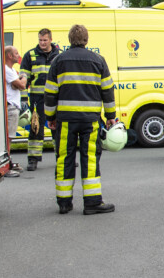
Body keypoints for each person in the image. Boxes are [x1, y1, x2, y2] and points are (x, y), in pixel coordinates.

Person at [43, 24, 116, 215]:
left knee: (64, 159)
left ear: (69, 39)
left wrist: (50, 116)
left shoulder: (58, 60)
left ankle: (64, 203)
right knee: (90, 158)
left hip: (65, 120)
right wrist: (111, 117)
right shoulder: (98, 60)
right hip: (90, 120)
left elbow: (50, 92)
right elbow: (107, 90)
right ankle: (92, 203)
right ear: (86, 40)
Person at [19, 28, 60, 171]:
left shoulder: (59, 56)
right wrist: (24, 101)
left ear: (50, 40)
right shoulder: (30, 55)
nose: (42, 43)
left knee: (59, 129)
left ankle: (62, 158)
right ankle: (33, 160)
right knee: (36, 129)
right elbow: (23, 79)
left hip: (56, 99)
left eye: (45, 40)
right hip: (37, 99)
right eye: (40, 40)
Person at [3, 46, 28, 176]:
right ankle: (6, 167)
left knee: (9, 138)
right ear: (9, 56)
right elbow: (22, 85)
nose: (19, 55)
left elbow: (16, 84)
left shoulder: (11, 70)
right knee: (8, 139)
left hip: (12, 106)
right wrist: (23, 77)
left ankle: (9, 163)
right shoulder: (7, 70)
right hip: (10, 107)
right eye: (16, 53)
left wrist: (18, 80)